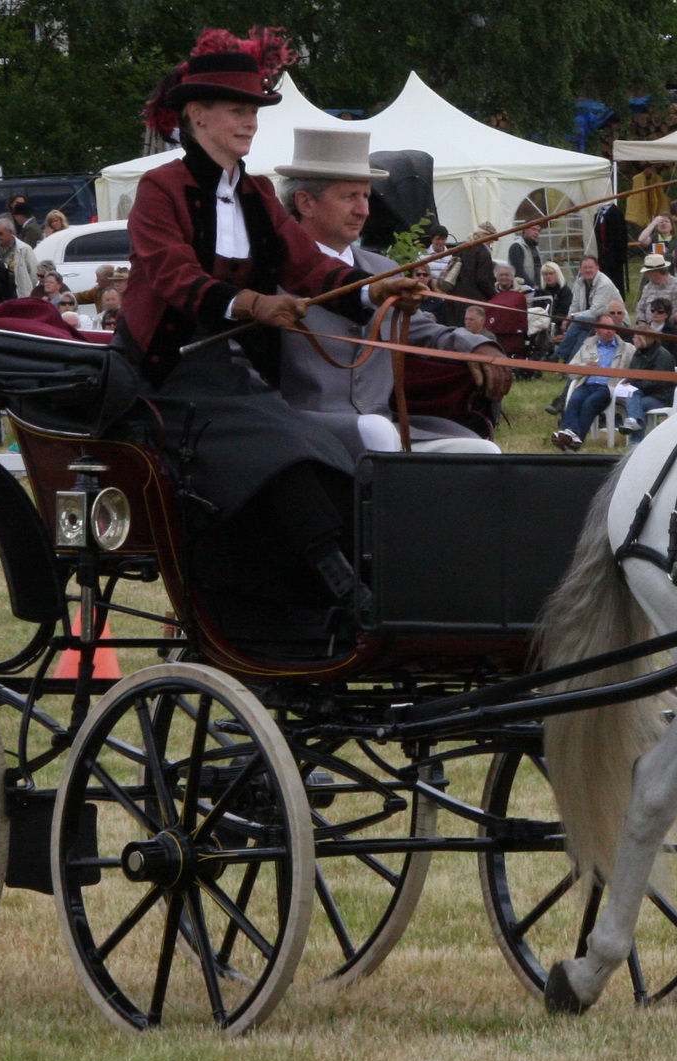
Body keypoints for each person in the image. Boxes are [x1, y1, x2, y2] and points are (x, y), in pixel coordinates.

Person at [123, 30, 422, 620]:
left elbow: (310, 269)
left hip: (235, 380)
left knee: (322, 451)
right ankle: (341, 588)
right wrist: (251, 305)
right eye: (238, 110)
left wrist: (372, 292)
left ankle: (332, 588)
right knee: (280, 452)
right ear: (197, 114)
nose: (250, 123)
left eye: (255, 112)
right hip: (162, 378)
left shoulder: (257, 194)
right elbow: (171, 275)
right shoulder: (161, 189)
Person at [272, 126, 507, 454]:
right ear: (305, 202)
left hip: (385, 422)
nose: (363, 210)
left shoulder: (382, 270)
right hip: (303, 425)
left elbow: (425, 330)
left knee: (482, 454)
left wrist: (480, 346)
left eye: (366, 196)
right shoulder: (272, 271)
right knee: (377, 432)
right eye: (348, 197)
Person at [551, 311, 632, 450]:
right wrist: (585, 366)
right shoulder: (588, 346)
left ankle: (574, 439)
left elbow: (634, 368)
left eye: (612, 327)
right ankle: (570, 435)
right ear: (597, 330)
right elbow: (571, 370)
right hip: (587, 384)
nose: (610, 331)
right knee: (574, 400)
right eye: (605, 328)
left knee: (589, 403)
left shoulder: (626, 349)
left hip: (608, 387)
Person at [555, 255, 622, 361]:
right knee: (582, 334)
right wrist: (569, 318)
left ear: (597, 268)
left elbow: (595, 312)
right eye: (585, 267)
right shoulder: (579, 282)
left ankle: (559, 356)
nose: (588, 270)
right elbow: (575, 305)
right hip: (589, 322)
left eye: (591, 267)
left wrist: (571, 317)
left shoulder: (605, 284)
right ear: (580, 269)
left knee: (581, 322)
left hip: (613, 321)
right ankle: (569, 365)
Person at [622, 323, 677, 444]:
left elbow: (658, 382)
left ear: (644, 338)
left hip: (661, 396)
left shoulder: (663, 356)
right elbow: (633, 373)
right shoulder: (638, 353)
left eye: (636, 337)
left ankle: (635, 439)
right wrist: (629, 382)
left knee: (637, 403)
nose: (633, 339)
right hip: (643, 392)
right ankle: (633, 425)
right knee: (633, 397)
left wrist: (633, 384)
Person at [483, 263, 531, 359]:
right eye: (501, 275)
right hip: (494, 327)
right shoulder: (490, 291)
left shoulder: (523, 291)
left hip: (513, 328)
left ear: (512, 277)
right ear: (496, 277)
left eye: (507, 275)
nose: (504, 277)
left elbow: (527, 309)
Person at [0, 215, 39, 299]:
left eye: (1, 233)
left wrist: (26, 287)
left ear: (10, 232)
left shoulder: (24, 249)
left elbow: (34, 274)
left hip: (17, 293)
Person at [634, 253, 677, 326]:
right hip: (647, 328)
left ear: (657, 271)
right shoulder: (648, 287)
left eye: (648, 272)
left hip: (667, 329)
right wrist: (642, 322)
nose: (646, 275)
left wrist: (659, 325)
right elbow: (640, 308)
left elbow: (676, 311)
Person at [508, 221, 545, 288]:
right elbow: (518, 271)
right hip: (523, 288)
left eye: (539, 231)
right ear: (525, 229)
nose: (536, 232)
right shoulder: (517, 246)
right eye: (533, 229)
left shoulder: (535, 247)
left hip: (537, 286)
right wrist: (532, 285)